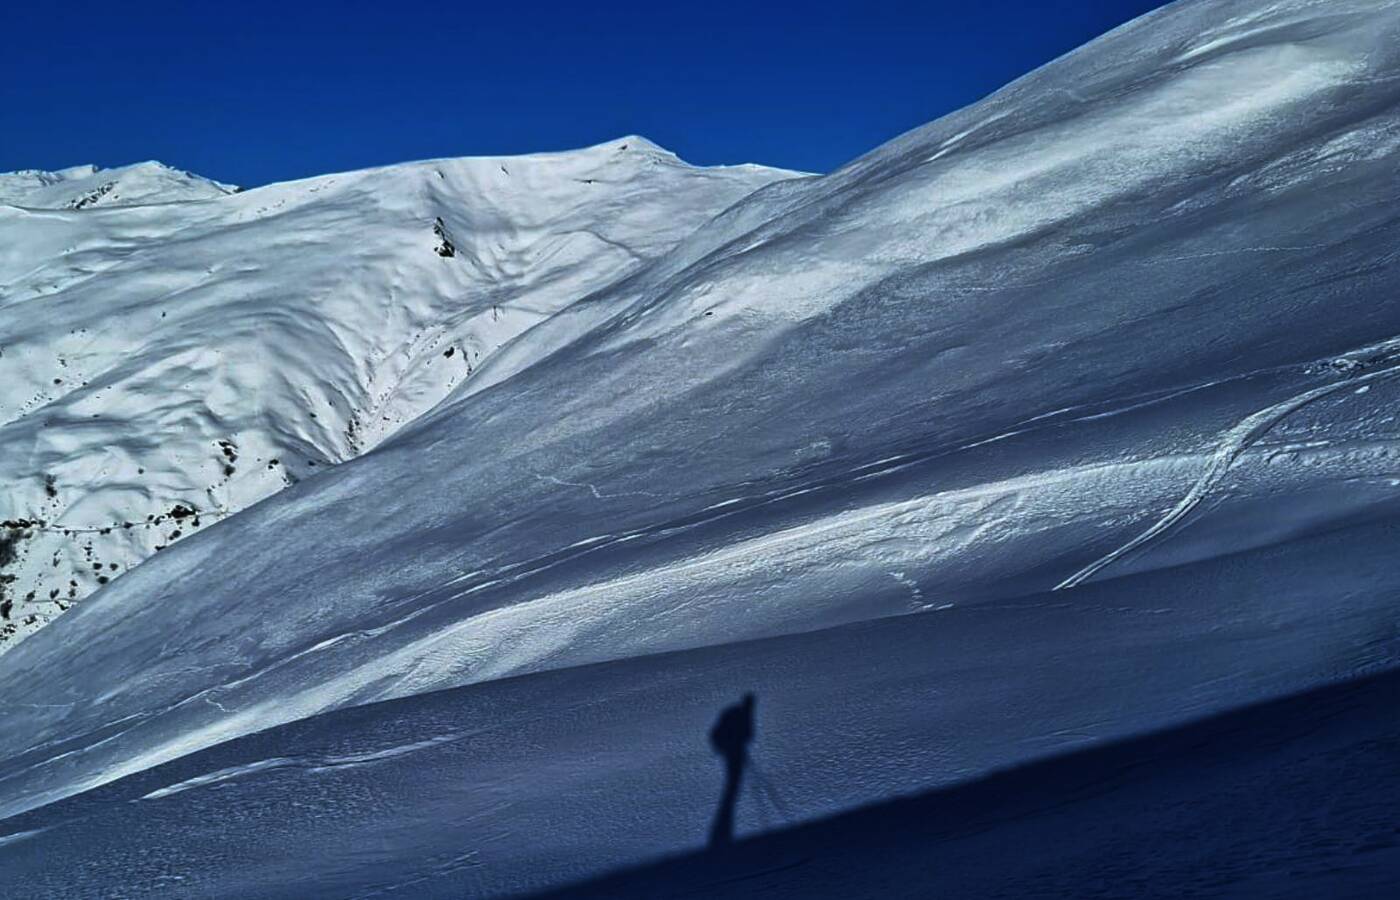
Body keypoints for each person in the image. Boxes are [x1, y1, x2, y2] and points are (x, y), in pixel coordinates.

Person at [708, 693, 755, 848]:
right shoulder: (739, 714)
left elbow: (747, 735)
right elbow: (748, 735)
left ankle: (728, 803)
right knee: (733, 779)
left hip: (732, 749)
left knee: (733, 779)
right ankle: (728, 806)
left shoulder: (737, 713)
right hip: (731, 750)